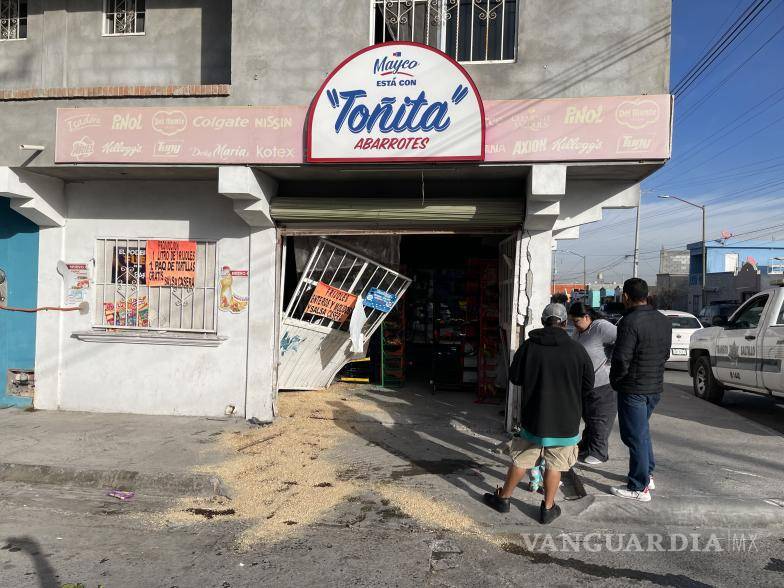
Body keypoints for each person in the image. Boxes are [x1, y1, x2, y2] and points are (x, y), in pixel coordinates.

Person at [483, 303, 594, 524]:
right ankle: (548, 508)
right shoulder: (577, 350)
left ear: (543, 321)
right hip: (566, 420)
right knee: (555, 465)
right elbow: (588, 384)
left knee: (522, 460)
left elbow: (515, 378)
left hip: (534, 417)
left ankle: (503, 499)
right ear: (565, 323)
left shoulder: (529, 346)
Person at [609, 278, 672, 502]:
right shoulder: (663, 320)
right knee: (642, 432)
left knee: (634, 436)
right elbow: (666, 353)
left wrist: (616, 381)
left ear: (626, 296)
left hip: (633, 388)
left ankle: (638, 487)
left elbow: (621, 358)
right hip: (654, 386)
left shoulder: (629, 322)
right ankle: (647, 474)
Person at [568, 302, 617, 465]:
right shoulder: (579, 331)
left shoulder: (600, 327)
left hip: (602, 383)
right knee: (589, 418)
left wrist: (611, 360)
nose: (574, 324)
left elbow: (624, 340)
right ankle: (587, 446)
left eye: (576, 321)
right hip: (584, 384)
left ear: (587, 317)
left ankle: (599, 452)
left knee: (600, 418)